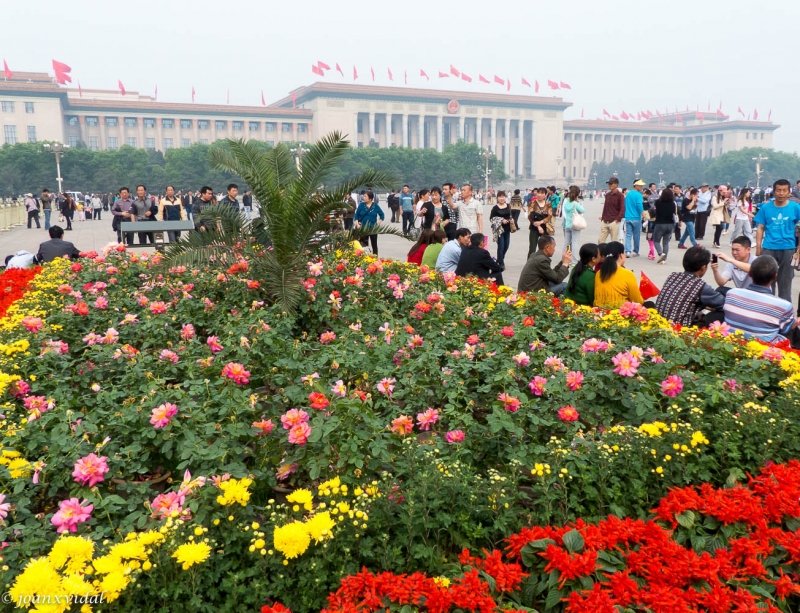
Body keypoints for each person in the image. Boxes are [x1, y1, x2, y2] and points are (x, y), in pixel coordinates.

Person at [724, 255, 800, 344]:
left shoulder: (731, 293)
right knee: (791, 328)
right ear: (775, 276)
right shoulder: (783, 306)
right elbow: (788, 328)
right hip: (764, 351)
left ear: (749, 273)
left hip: (732, 345)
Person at [754, 179, 800, 302]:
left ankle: (784, 313)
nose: (781, 193)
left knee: (785, 282)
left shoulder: (795, 207)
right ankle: (768, 309)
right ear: (773, 192)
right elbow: (760, 227)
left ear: (789, 192)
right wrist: (759, 247)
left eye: (784, 190)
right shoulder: (765, 208)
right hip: (769, 248)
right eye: (778, 190)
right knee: (767, 282)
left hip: (788, 248)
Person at [655, 246, 725, 327]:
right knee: (722, 312)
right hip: (679, 330)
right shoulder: (700, 285)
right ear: (703, 268)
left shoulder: (673, 276)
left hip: (659, 324)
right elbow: (723, 303)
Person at [593, 241, 643, 309]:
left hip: (600, 311)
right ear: (621, 255)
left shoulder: (599, 273)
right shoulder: (627, 274)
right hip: (619, 313)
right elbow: (637, 301)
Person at [353, 190, 384, 255]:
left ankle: (375, 258)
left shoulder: (375, 206)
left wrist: (379, 222)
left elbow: (382, 215)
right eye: (363, 196)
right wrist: (357, 223)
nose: (363, 197)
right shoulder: (361, 205)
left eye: (365, 196)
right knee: (363, 245)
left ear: (370, 198)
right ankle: (364, 258)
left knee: (374, 244)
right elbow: (356, 215)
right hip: (363, 228)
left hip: (373, 228)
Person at [652, 188, 677, 264]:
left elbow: (655, 211)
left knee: (656, 241)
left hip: (660, 223)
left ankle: (660, 253)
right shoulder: (673, 203)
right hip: (670, 224)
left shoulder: (658, 202)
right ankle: (664, 259)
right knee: (665, 243)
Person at [561, 185, 585, 264]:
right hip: (575, 225)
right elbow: (583, 210)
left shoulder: (566, 202)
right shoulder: (575, 203)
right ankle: (574, 260)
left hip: (567, 224)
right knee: (574, 242)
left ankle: (564, 257)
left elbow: (564, 211)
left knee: (567, 242)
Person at [598, 177, 625, 244]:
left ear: (616, 184)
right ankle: (600, 254)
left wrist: (617, 219)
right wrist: (603, 217)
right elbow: (605, 207)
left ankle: (614, 254)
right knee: (600, 241)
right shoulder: (607, 195)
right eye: (609, 184)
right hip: (605, 221)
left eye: (611, 184)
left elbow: (622, 208)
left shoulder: (620, 195)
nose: (609, 185)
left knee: (614, 242)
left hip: (614, 221)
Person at [490, 190, 512, 267]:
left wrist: (510, 220)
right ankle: (501, 263)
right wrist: (501, 220)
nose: (501, 198)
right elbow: (491, 218)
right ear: (497, 198)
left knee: (506, 246)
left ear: (505, 197)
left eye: (503, 196)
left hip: (507, 229)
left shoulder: (509, 206)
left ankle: (500, 259)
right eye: (500, 196)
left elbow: (511, 216)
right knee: (501, 246)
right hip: (499, 230)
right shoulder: (495, 208)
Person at [624, 179, 646, 256]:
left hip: (628, 217)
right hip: (636, 218)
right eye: (640, 185)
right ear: (636, 185)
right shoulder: (639, 195)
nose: (641, 187)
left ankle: (627, 251)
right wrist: (643, 214)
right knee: (636, 235)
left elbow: (625, 205)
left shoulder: (628, 194)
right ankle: (635, 251)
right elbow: (639, 205)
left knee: (628, 235)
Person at [528, 188, 552, 257]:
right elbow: (530, 216)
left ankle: (543, 264)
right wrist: (538, 226)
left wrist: (541, 222)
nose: (540, 195)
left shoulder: (548, 204)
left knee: (545, 248)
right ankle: (530, 265)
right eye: (538, 193)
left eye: (542, 193)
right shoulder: (532, 203)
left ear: (545, 195)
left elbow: (549, 216)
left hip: (545, 228)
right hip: (534, 228)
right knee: (532, 248)